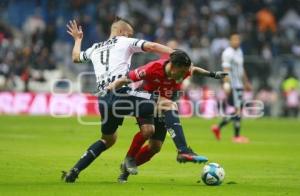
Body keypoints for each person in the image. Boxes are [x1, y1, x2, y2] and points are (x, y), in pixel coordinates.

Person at [62, 17, 204, 183]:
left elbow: (76, 57)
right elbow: (151, 46)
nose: (131, 36)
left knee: (108, 139)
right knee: (167, 104)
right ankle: (183, 150)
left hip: (103, 99)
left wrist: (78, 40)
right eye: (130, 34)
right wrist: (176, 55)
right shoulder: (124, 41)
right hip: (121, 92)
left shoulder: (95, 48)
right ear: (122, 32)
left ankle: (74, 172)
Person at [105, 50, 227, 183]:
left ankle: (125, 170)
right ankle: (182, 150)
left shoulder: (184, 69)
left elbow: (194, 70)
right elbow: (128, 77)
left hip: (163, 104)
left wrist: (213, 74)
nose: (182, 76)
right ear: (174, 67)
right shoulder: (153, 68)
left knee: (155, 147)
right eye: (181, 72)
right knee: (149, 129)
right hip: (145, 101)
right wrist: (113, 86)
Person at [211, 33, 252, 143]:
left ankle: (218, 128)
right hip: (233, 85)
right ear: (230, 41)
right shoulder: (227, 53)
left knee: (238, 109)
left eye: (238, 40)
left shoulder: (239, 51)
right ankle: (236, 136)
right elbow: (226, 69)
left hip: (240, 85)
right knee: (238, 110)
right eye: (234, 40)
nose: (236, 42)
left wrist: (246, 82)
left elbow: (241, 68)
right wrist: (226, 84)